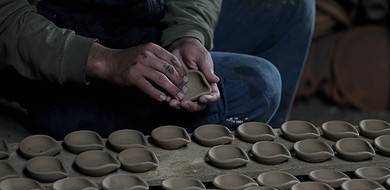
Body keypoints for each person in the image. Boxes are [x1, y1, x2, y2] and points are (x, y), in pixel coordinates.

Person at [0, 0, 314, 139]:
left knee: (291, 7)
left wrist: (188, 34)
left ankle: (256, 157)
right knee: (258, 87)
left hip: (141, 22)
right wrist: (104, 60)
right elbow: (6, 16)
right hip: (59, 59)